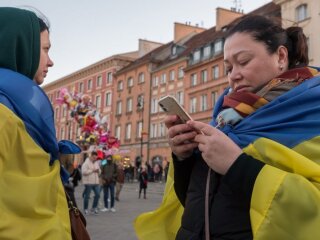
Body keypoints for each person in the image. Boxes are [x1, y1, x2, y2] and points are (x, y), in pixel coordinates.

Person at [135, 15, 320, 240]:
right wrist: (184, 158)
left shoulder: (313, 110)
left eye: (243, 61)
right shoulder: (225, 118)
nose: (234, 75)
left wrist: (237, 166)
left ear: (281, 56)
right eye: (228, 68)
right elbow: (195, 205)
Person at [0, 7, 75, 239]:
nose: (50, 61)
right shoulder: (3, 115)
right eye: (44, 49)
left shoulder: (21, 112)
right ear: (20, 47)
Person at [81, 151, 101, 215]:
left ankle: (94, 208)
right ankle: (85, 209)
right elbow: (84, 172)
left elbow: (100, 171)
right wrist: (92, 170)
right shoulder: (86, 163)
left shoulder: (96, 163)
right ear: (91, 156)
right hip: (88, 182)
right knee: (87, 196)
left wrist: (98, 171)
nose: (95, 159)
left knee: (98, 194)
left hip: (96, 182)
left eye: (96, 158)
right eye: (94, 157)